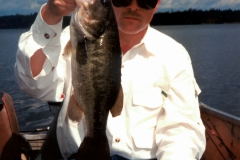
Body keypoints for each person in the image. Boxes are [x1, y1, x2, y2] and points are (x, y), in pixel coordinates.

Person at [14, 0, 206, 159]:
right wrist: (50, 14)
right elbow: (33, 85)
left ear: (156, 5)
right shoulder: (67, 41)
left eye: (145, 1)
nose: (133, 6)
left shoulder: (174, 55)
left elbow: (182, 130)